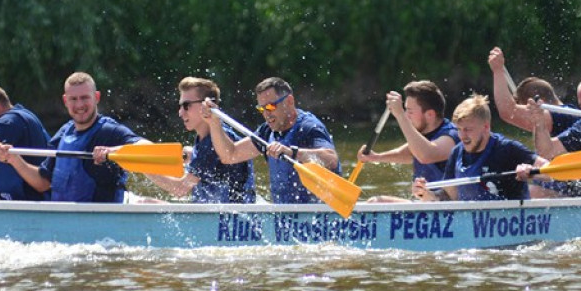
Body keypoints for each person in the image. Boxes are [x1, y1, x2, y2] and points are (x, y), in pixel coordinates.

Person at [0, 72, 143, 202]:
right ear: (65, 101)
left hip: (100, 220)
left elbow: (144, 146)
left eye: (85, 97)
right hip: (63, 219)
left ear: (96, 97)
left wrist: (113, 150)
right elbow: (43, 183)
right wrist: (14, 159)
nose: (79, 105)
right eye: (73, 99)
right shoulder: (64, 132)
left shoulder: (109, 131)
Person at [203, 77, 340, 204]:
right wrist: (214, 122)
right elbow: (230, 155)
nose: (266, 114)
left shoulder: (309, 127)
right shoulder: (267, 131)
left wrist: (291, 152)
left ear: (289, 101)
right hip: (284, 215)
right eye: (261, 108)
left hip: (319, 212)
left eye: (270, 107)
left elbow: (331, 159)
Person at [413, 94, 543, 202]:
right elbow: (449, 197)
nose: (462, 136)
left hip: (511, 221)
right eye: (459, 129)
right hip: (473, 222)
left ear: (486, 127)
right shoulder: (456, 152)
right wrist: (426, 194)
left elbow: (547, 169)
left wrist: (531, 171)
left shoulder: (507, 148)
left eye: (468, 129)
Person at [145, 77, 255, 203]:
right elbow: (207, 163)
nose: (180, 113)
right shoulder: (207, 137)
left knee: (146, 203)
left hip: (229, 214)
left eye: (186, 105)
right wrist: (190, 155)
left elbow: (180, 189)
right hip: (212, 210)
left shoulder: (212, 143)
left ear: (206, 105)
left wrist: (145, 168)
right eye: (180, 106)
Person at [355, 80, 459, 196]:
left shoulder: (451, 136)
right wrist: (375, 157)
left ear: (430, 115)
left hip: (446, 203)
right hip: (426, 202)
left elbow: (426, 155)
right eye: (405, 110)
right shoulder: (424, 136)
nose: (406, 115)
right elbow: (408, 153)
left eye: (410, 112)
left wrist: (400, 115)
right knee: (376, 201)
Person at [488, 46, 576, 135]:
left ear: (540, 101)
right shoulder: (569, 113)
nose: (525, 116)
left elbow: (508, 112)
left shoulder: (560, 116)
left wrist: (498, 70)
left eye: (526, 109)